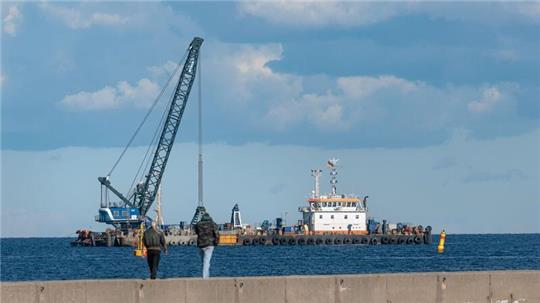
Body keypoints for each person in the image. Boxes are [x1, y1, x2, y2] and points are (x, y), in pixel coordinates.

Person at [194, 213, 219, 279]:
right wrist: (216, 243)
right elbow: (217, 234)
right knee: (207, 261)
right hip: (210, 245)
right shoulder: (213, 224)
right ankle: (205, 278)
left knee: (203, 261)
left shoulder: (198, 224)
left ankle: (206, 276)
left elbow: (196, 232)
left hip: (200, 244)